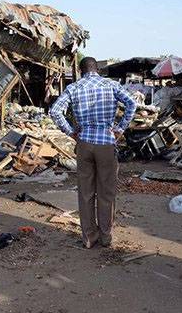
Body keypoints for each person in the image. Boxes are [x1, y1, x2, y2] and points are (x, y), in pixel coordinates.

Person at [49, 57, 137, 248]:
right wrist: (121, 128)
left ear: (80, 71)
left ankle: (89, 238)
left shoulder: (74, 87)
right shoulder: (111, 85)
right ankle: (106, 237)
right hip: (106, 142)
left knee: (86, 192)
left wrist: (70, 131)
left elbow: (55, 111)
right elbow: (132, 104)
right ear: (97, 69)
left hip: (84, 143)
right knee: (107, 192)